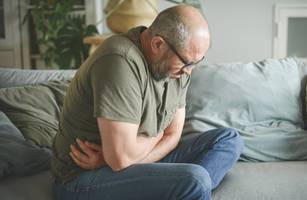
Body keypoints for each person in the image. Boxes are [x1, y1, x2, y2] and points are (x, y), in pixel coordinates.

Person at [52, 5, 244, 200]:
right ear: (157, 44)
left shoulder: (181, 66)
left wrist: (111, 160)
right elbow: (121, 158)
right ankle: (186, 190)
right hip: (82, 179)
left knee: (228, 140)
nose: (189, 71)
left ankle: (181, 191)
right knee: (195, 180)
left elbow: (173, 135)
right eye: (187, 62)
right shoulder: (119, 60)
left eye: (197, 62)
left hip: (112, 163)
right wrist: (157, 136)